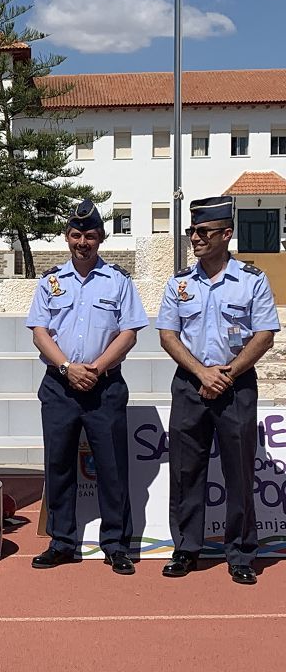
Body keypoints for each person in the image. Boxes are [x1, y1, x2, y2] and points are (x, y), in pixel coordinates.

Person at [156, 196, 279, 585]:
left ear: (226, 233)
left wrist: (225, 373)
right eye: (193, 231)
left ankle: (241, 553)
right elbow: (168, 335)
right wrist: (202, 373)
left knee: (239, 473)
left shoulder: (252, 280)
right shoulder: (179, 283)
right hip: (191, 386)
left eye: (204, 232)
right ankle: (187, 548)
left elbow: (264, 335)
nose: (196, 238)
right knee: (186, 471)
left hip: (236, 386)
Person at [25, 201, 147, 575]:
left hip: (104, 387)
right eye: (76, 235)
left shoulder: (119, 281)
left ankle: (116, 544)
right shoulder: (50, 281)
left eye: (90, 235)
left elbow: (129, 333)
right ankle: (62, 542)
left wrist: (97, 367)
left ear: (101, 238)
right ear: (67, 237)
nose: (82, 242)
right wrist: (66, 367)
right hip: (60, 387)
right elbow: (40, 331)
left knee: (111, 468)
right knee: (59, 465)